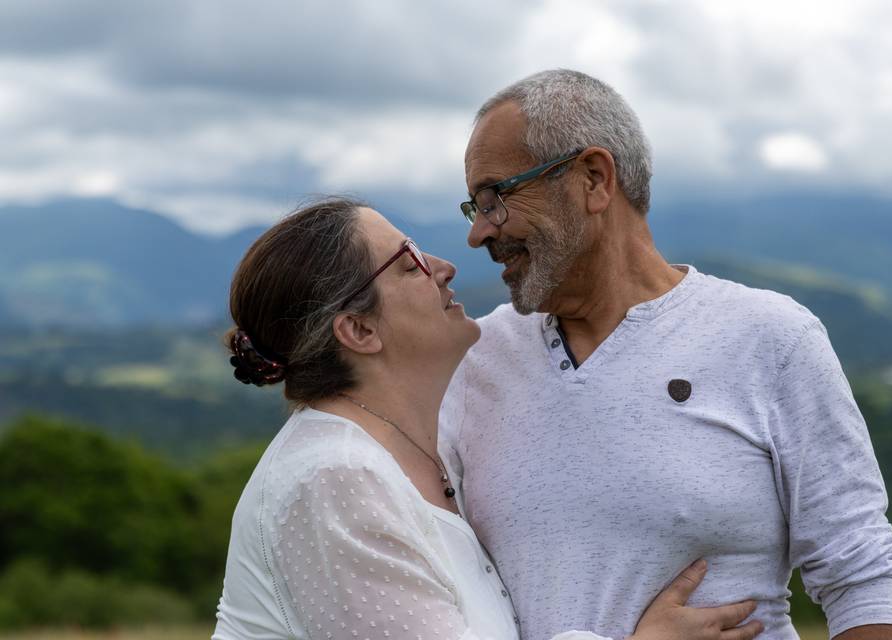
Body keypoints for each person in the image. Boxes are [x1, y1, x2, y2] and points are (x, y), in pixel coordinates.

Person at [441, 69, 892, 640]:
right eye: (475, 207)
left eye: (496, 198)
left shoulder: (773, 339)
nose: (478, 234)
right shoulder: (470, 363)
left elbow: (860, 574)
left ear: (593, 178)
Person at [211, 198, 764, 640]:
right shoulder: (331, 479)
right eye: (410, 265)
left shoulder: (418, 454)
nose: (445, 268)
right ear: (359, 331)